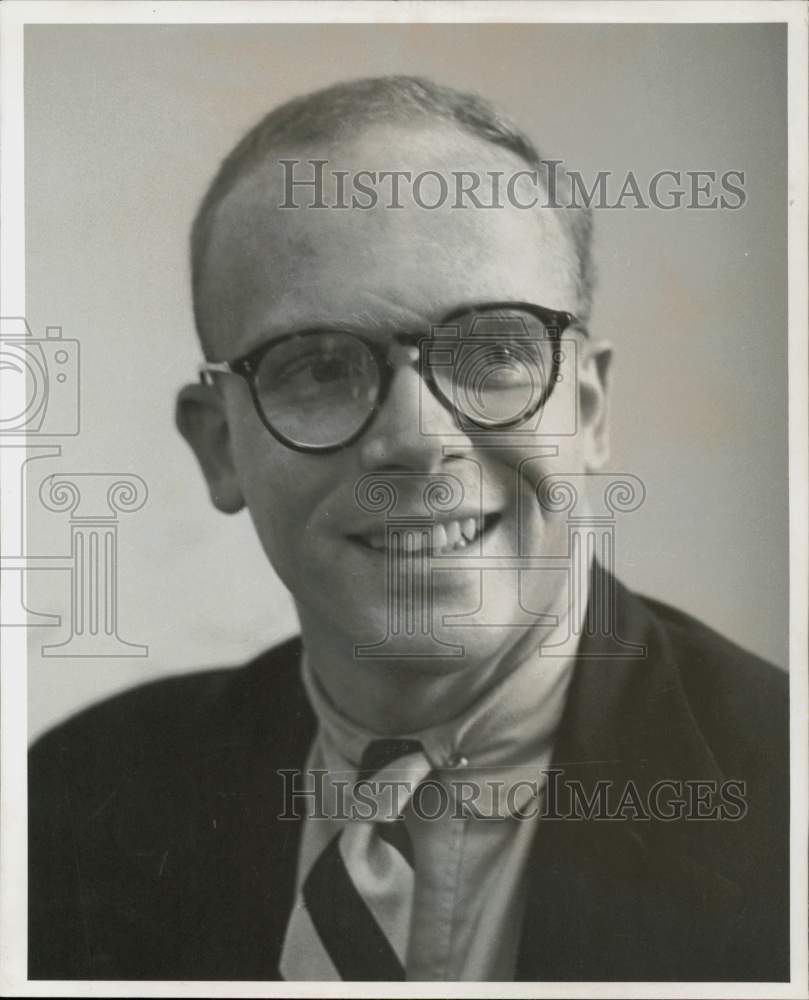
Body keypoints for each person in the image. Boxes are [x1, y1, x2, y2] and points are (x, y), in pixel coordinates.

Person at [28, 76, 788, 983]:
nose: (418, 442)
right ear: (219, 445)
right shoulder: (73, 801)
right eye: (316, 366)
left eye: (496, 352)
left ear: (586, 411)